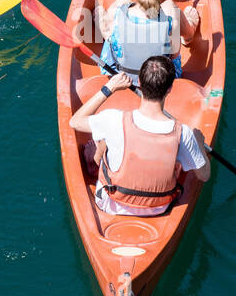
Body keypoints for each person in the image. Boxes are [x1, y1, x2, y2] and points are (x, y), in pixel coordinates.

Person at [69, 55, 210, 217]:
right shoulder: (184, 133)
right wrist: (198, 143)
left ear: (140, 83)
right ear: (170, 88)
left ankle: (95, 159)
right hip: (159, 208)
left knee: (103, 136)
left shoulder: (114, 119)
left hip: (110, 203)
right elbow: (204, 176)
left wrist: (109, 88)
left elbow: (75, 122)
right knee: (180, 158)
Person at [98, 0, 199, 87]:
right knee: (170, 6)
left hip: (119, 76)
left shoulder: (119, 13)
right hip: (157, 80)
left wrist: (100, 17)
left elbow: (108, 35)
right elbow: (174, 56)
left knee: (121, 1)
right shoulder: (167, 21)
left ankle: (100, 17)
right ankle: (189, 32)